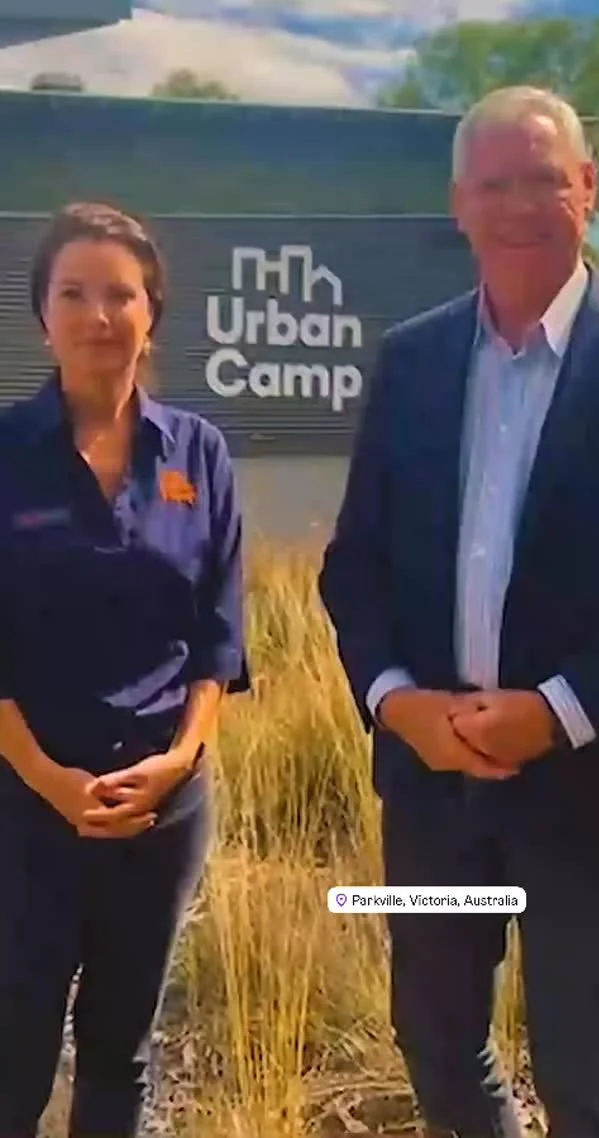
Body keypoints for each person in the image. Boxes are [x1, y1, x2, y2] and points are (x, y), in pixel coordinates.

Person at [318, 85, 599, 1138]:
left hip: (592, 793)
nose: (518, 207)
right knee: (438, 1042)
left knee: (590, 1080)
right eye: (493, 185)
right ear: (459, 204)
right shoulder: (411, 360)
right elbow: (354, 566)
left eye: (543, 180)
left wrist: (555, 711)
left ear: (587, 188)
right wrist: (397, 702)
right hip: (432, 795)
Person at [0, 201, 249, 1137]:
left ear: (153, 314)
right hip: (25, 806)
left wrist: (181, 760)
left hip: (163, 808)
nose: (98, 315)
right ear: (42, 314)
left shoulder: (199, 454)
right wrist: (49, 780)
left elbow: (219, 632)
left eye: (121, 294)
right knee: (12, 1042)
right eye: (74, 293)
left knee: (121, 1047)